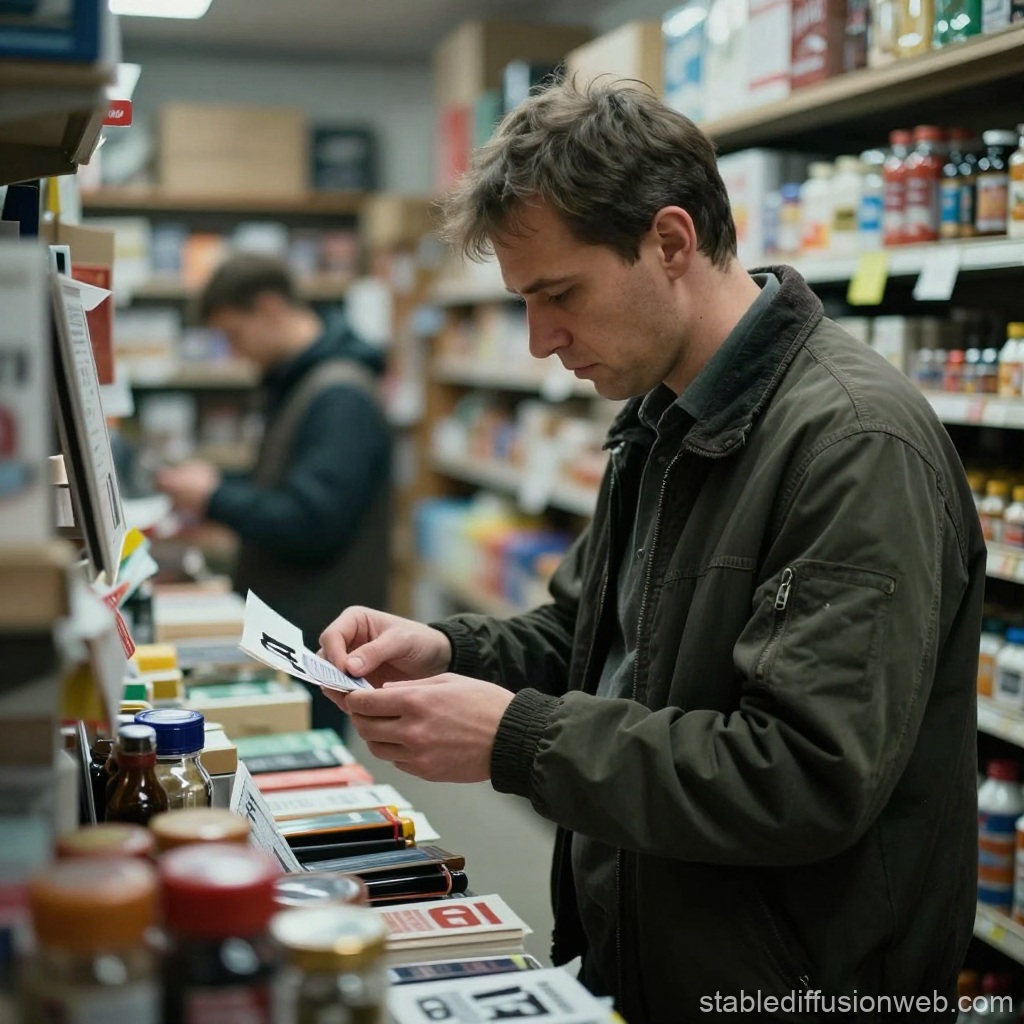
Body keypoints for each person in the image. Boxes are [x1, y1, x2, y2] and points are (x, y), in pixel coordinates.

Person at [320, 81, 984, 1022]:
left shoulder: (852, 444)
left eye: (561, 295)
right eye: (524, 303)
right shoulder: (665, 416)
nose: (543, 341)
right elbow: (594, 632)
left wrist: (515, 739)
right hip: (655, 953)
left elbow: (800, 775)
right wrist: (451, 652)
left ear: (670, 242)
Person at [157, 254, 392, 728]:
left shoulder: (339, 395)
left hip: (319, 637)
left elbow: (313, 520)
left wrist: (215, 497)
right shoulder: (300, 382)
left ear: (268, 308)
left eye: (234, 335)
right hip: (296, 627)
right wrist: (222, 488)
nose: (234, 352)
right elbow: (291, 488)